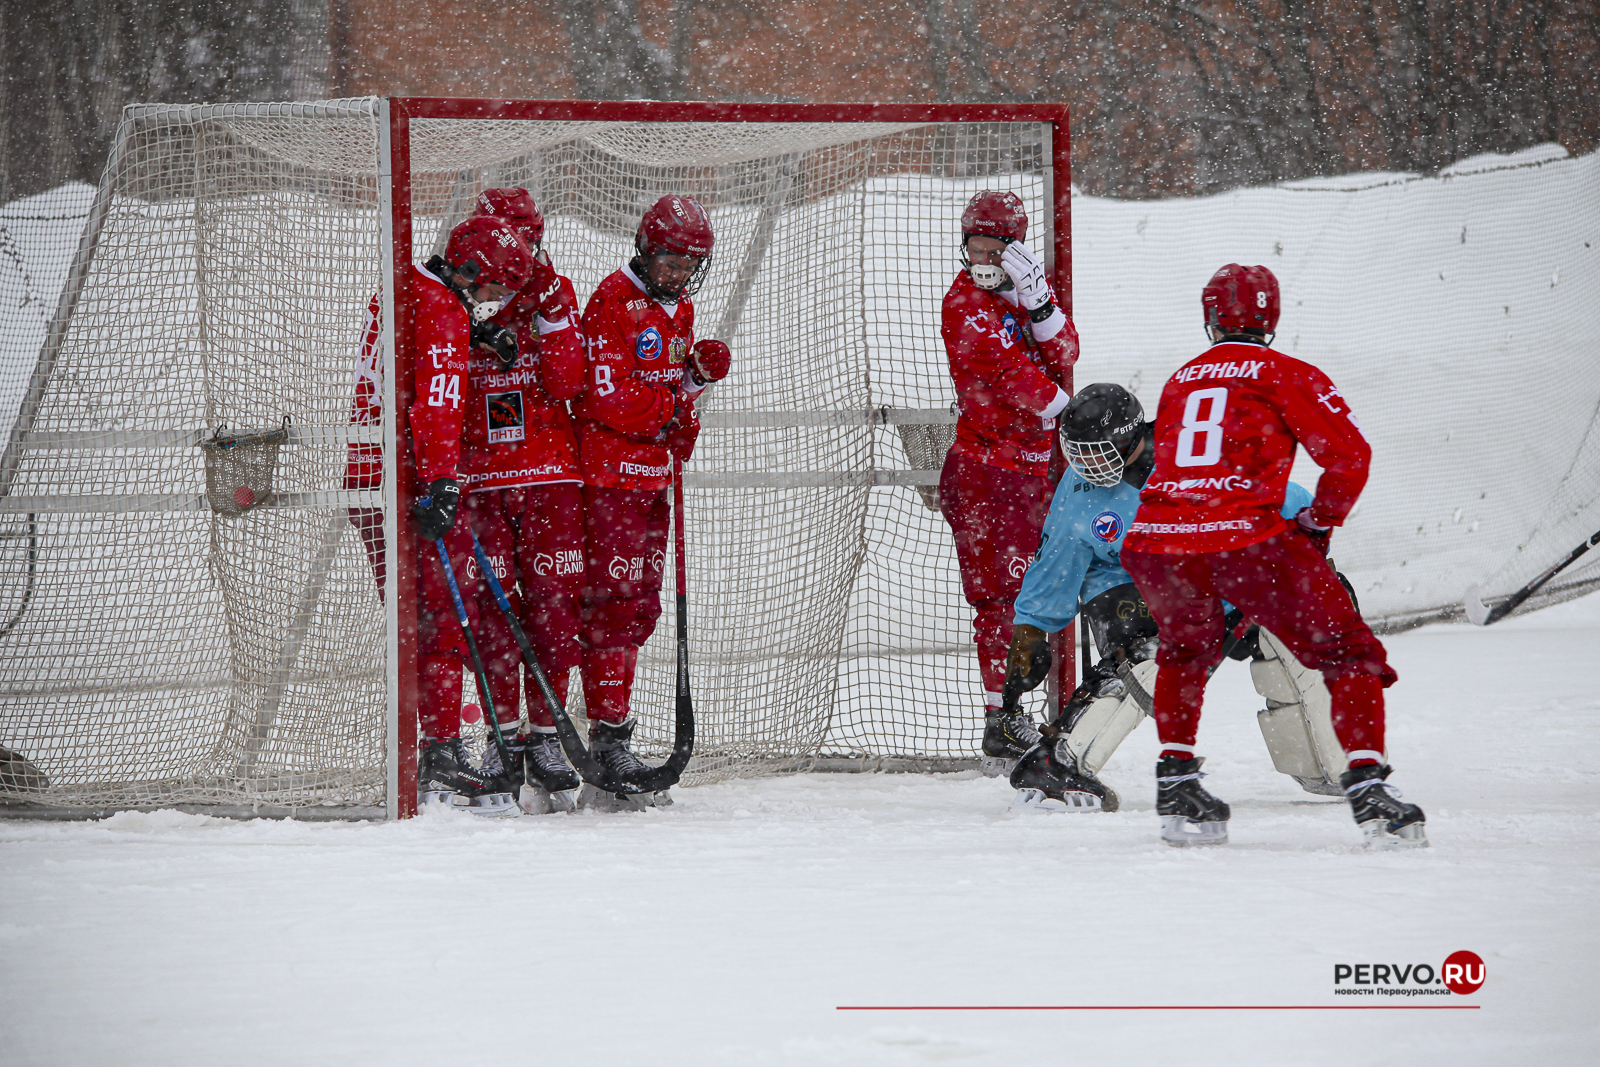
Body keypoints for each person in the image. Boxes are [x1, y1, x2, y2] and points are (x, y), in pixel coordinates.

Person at [1120, 264, 1426, 848]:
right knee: (1349, 652)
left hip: (1158, 538)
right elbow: (1349, 458)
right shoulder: (1287, 373)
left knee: (1185, 650)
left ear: (1209, 318)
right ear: (1271, 318)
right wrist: (1318, 521)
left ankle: (1177, 780)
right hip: (1243, 539)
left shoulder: (1183, 378)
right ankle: (1368, 786)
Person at [999, 383, 1321, 813]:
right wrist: (1032, 632)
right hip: (1119, 585)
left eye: (1095, 451)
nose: (1083, 463)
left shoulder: (1195, 458)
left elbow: (1285, 504)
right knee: (1147, 659)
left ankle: (1328, 764)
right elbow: (1053, 566)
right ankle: (1057, 761)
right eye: (1075, 451)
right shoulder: (1078, 493)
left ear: (1131, 437)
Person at [345, 215, 536, 813]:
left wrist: (471, 338)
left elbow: (410, 359)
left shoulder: (406, 285)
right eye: (494, 291)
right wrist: (442, 482)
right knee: (442, 619)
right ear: (471, 272)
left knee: (419, 619)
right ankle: (441, 750)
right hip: (409, 484)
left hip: (366, 474)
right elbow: (436, 403)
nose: (494, 303)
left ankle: (432, 748)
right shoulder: (447, 312)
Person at [570, 194, 731, 793]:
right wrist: (670, 408)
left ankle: (614, 731)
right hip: (609, 479)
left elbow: (669, 396)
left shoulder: (679, 308)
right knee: (607, 606)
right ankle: (597, 737)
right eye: (668, 263)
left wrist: (693, 380)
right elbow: (610, 398)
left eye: (688, 266)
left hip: (652, 479)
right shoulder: (612, 302)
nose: (678, 276)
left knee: (639, 607)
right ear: (644, 249)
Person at [456, 188, 590, 812]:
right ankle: (501, 737)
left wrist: (544, 321)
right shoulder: (457, 294)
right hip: (483, 480)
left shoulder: (554, 293)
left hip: (549, 478)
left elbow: (569, 382)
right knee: (493, 618)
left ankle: (545, 736)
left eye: (529, 243)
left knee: (554, 613)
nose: (519, 257)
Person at [937, 190, 1079, 776]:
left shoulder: (1021, 298)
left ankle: (1015, 710)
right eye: (979, 244)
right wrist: (1076, 413)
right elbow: (1019, 379)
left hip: (1029, 470)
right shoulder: (964, 302)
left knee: (1033, 594)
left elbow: (1067, 350)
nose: (987, 256)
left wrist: (1041, 301)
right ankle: (1005, 714)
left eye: (1000, 246)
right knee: (1002, 598)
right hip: (987, 472)